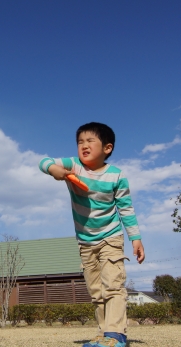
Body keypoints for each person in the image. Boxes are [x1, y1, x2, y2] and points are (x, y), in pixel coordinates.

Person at [39, 122, 145, 347]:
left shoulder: (116, 176)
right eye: (80, 142)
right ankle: (104, 332)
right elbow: (44, 161)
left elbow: (126, 208)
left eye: (90, 141)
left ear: (107, 148)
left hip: (111, 237)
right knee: (96, 290)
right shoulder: (74, 165)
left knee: (113, 285)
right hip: (85, 241)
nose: (83, 145)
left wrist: (135, 238)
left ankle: (116, 335)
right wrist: (53, 170)